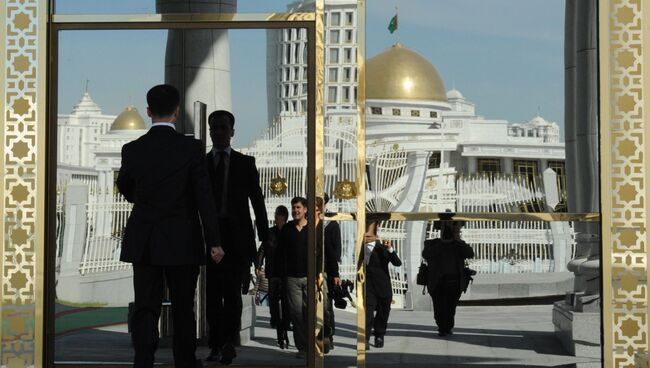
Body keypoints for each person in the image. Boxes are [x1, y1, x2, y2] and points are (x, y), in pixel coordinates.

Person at [117, 84, 223, 368]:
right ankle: (185, 361)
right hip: (182, 240)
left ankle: (143, 360)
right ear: (176, 112)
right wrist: (214, 241)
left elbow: (125, 187)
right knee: (183, 308)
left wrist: (144, 200)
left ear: (149, 111)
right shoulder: (191, 148)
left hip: (145, 240)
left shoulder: (132, 149)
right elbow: (204, 196)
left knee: (146, 308)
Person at [205, 110, 270, 365]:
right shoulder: (202, 165)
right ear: (210, 132)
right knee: (212, 296)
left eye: (223, 128)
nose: (219, 132)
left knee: (232, 294)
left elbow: (257, 201)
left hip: (237, 241)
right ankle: (215, 344)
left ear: (232, 132)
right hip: (210, 239)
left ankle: (230, 342)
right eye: (214, 128)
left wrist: (265, 236)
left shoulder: (245, 163)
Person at [422, 220, 474, 337]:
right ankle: (441, 327)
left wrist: (457, 240)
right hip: (437, 282)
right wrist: (443, 242)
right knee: (439, 308)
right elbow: (426, 255)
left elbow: (470, 253)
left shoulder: (458, 244)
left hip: (454, 282)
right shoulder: (431, 243)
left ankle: (448, 327)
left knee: (451, 308)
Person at [256, 205, 291, 349]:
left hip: (287, 273)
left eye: (281, 216)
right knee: (272, 298)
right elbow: (262, 249)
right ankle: (275, 319)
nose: (279, 219)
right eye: (277, 216)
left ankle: (286, 323)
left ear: (285, 218)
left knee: (287, 302)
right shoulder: (269, 233)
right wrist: (258, 265)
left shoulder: (290, 232)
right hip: (273, 272)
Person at [364, 221, 402, 349]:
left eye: (369, 236)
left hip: (383, 286)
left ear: (375, 235)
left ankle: (379, 335)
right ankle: (365, 338)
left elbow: (397, 263)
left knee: (383, 312)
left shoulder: (382, 248)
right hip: (368, 286)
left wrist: (390, 249)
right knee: (368, 313)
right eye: (365, 235)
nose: (366, 238)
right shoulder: (360, 248)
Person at [323, 194, 341, 348]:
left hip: (328, 271)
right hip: (309, 270)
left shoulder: (332, 224)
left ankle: (329, 335)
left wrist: (335, 273)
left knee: (327, 306)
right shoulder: (306, 221)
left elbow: (337, 250)